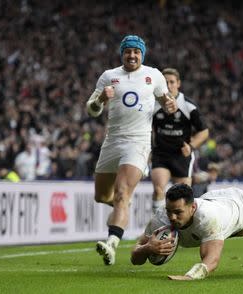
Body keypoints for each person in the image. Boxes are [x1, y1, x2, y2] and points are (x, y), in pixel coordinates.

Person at [86, 35, 177, 266]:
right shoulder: (109, 76)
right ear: (122, 54)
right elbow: (91, 109)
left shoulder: (153, 75)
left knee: (121, 193)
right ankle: (124, 205)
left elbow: (167, 102)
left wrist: (169, 105)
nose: (132, 55)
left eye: (137, 52)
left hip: (137, 143)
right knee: (102, 196)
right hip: (112, 142)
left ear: (142, 55)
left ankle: (111, 244)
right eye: (128, 51)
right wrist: (100, 100)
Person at [130, 161, 243, 280]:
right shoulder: (160, 219)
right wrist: (147, 248)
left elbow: (211, 261)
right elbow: (134, 257)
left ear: (192, 208)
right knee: (242, 232)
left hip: (238, 206)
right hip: (215, 200)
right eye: (169, 211)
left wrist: (189, 276)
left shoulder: (207, 218)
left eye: (178, 212)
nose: (172, 217)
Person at [151, 68, 209, 212]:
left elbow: (204, 131)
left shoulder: (188, 106)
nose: (169, 85)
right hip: (161, 154)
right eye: (165, 82)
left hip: (181, 156)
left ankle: (184, 229)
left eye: (172, 82)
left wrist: (191, 146)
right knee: (159, 189)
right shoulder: (153, 104)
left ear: (178, 84)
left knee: (184, 197)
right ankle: (158, 225)